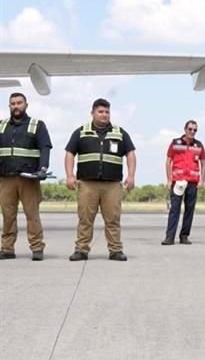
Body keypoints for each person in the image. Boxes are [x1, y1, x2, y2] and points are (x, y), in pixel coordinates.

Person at [64, 98, 137, 261]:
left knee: (113, 219)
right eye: (101, 112)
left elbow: (130, 153)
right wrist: (69, 175)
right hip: (87, 184)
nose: (104, 115)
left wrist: (131, 175)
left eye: (107, 112)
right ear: (92, 113)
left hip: (112, 185)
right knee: (85, 219)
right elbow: (70, 153)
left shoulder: (120, 133)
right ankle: (81, 250)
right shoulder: (81, 132)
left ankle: (116, 250)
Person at [0, 92, 52, 260]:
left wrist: (43, 168)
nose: (16, 106)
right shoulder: (1, 126)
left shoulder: (37, 125)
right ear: (9, 106)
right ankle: (7, 249)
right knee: (7, 216)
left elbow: (45, 148)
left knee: (32, 215)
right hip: (5, 178)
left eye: (19, 103)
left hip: (28, 178)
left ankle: (37, 248)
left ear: (26, 105)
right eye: (13, 103)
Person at [162, 120, 205, 246]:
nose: (192, 132)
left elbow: (203, 163)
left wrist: (202, 180)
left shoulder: (199, 145)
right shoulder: (175, 143)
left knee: (189, 210)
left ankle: (184, 236)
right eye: (190, 129)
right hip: (178, 180)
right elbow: (168, 161)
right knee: (174, 209)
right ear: (185, 129)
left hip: (192, 182)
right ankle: (169, 237)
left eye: (195, 130)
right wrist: (169, 179)